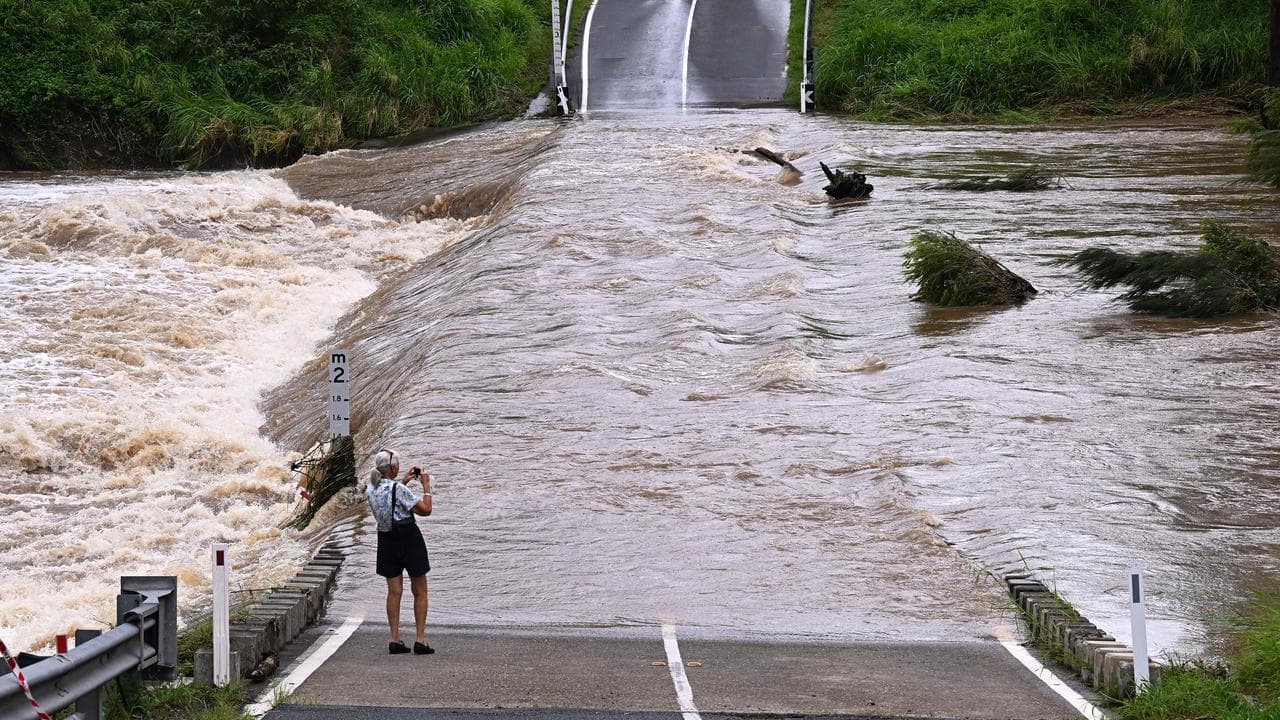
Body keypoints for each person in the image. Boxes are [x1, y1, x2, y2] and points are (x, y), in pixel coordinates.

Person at [365, 449, 434, 655]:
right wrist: (426, 486)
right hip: (408, 538)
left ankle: (394, 638)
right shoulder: (399, 489)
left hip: (386, 540)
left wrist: (403, 481)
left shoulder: (371, 487)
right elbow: (425, 510)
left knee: (394, 591)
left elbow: (389, 498)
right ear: (393, 467)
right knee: (420, 590)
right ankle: (420, 639)